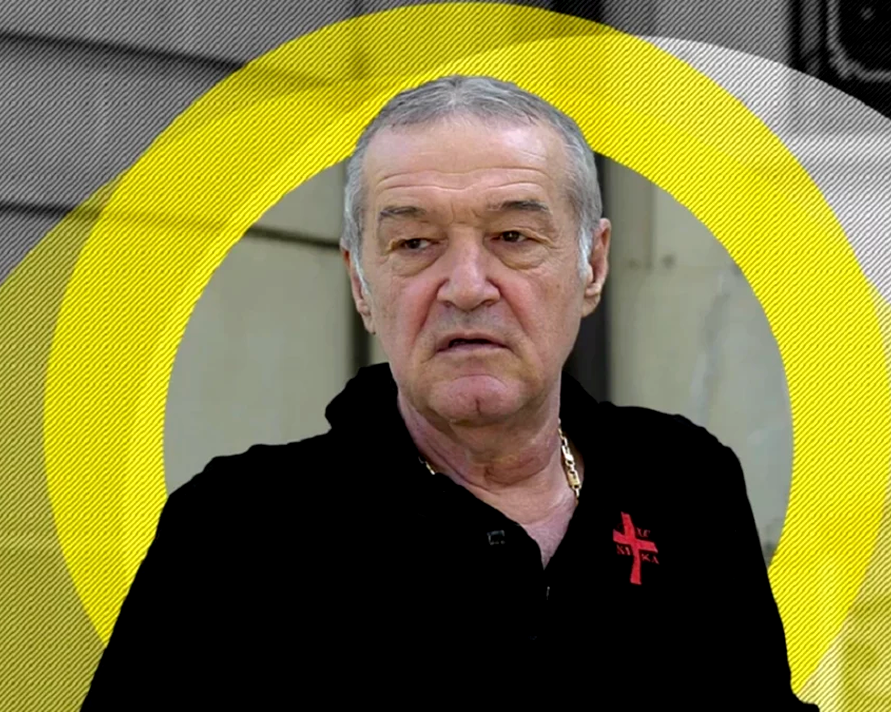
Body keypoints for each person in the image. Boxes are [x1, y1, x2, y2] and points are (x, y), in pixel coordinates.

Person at [80, 75, 818, 709]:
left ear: (592, 266)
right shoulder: (237, 533)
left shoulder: (686, 485)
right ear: (361, 284)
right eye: (414, 244)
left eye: (514, 237)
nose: (466, 287)